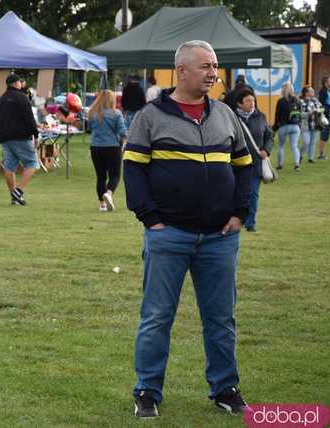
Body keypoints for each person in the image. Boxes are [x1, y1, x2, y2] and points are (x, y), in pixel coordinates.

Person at [123, 40, 252, 419]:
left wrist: (240, 213)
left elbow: (245, 166)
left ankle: (225, 388)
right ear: (181, 71)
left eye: (215, 66)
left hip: (219, 238)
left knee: (221, 318)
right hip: (169, 236)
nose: (214, 73)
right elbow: (133, 169)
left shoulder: (226, 114)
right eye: (205, 66)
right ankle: (147, 391)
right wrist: (151, 219)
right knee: (157, 316)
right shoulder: (149, 116)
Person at [0, 73, 40, 206]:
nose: (21, 83)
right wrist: (35, 134)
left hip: (5, 138)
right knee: (32, 163)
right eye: (20, 82)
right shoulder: (22, 98)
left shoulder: (1, 99)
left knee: (10, 167)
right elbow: (29, 118)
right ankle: (18, 191)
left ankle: (14, 197)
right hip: (21, 137)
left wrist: (0, 134)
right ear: (15, 83)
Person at [235, 88, 273, 232]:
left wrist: (266, 150)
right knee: (235, 192)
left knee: (253, 193)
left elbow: (269, 136)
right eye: (248, 101)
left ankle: (250, 223)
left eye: (253, 100)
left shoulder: (260, 116)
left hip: (255, 163)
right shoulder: (232, 117)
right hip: (235, 163)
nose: (252, 103)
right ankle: (236, 218)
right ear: (239, 104)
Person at [87, 89, 127, 211]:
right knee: (115, 175)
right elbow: (122, 132)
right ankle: (109, 193)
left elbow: (89, 129)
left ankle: (102, 204)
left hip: (96, 147)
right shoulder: (116, 113)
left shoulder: (92, 113)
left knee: (100, 176)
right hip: (112, 147)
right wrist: (124, 142)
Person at [273, 81, 302, 171]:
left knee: (281, 146)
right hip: (295, 126)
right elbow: (300, 114)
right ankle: (297, 164)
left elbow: (277, 116)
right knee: (294, 146)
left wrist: (274, 128)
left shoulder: (281, 101)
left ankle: (280, 165)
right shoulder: (297, 100)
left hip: (284, 126)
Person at [299, 86, 323, 165]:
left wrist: (319, 110)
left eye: (313, 90)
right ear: (306, 93)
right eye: (311, 91)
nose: (313, 92)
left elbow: (322, 108)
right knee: (306, 142)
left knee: (313, 142)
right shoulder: (301, 101)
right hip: (305, 125)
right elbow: (300, 114)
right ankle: (300, 155)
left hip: (315, 124)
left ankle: (311, 158)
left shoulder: (315, 100)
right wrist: (309, 113)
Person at [318, 76, 330, 159]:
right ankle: (321, 154)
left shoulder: (328, 91)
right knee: (324, 135)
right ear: (326, 82)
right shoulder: (323, 91)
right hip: (325, 116)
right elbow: (321, 104)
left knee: (325, 135)